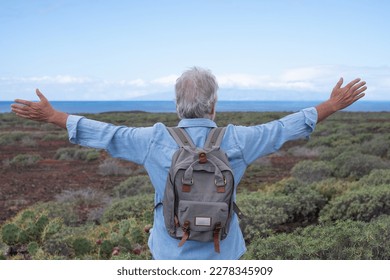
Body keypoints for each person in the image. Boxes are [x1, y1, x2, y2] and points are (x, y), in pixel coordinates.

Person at [11, 67, 367, 260]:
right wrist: (331, 106)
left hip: (170, 253)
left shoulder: (152, 140)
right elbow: (281, 129)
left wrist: (55, 116)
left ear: (176, 106)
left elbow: (106, 133)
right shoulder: (238, 139)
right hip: (224, 252)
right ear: (214, 106)